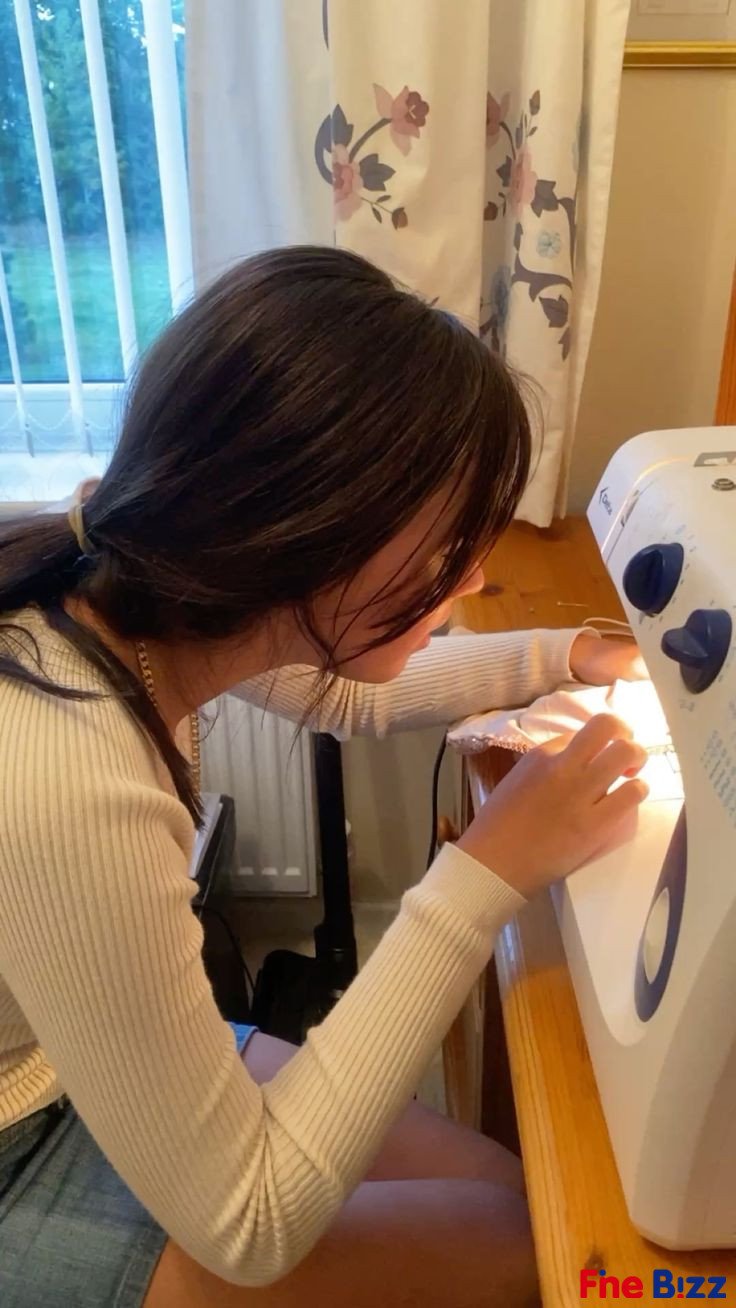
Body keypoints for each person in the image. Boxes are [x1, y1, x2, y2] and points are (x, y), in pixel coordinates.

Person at [0, 247, 647, 1308]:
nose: (474, 577)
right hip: (17, 1142)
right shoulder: (64, 773)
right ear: (308, 537)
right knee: (526, 1251)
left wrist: (569, 656)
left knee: (501, 1190)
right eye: (447, 547)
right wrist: (488, 869)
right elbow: (251, 1222)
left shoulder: (143, 590)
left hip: (58, 1053)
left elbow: (350, 695)